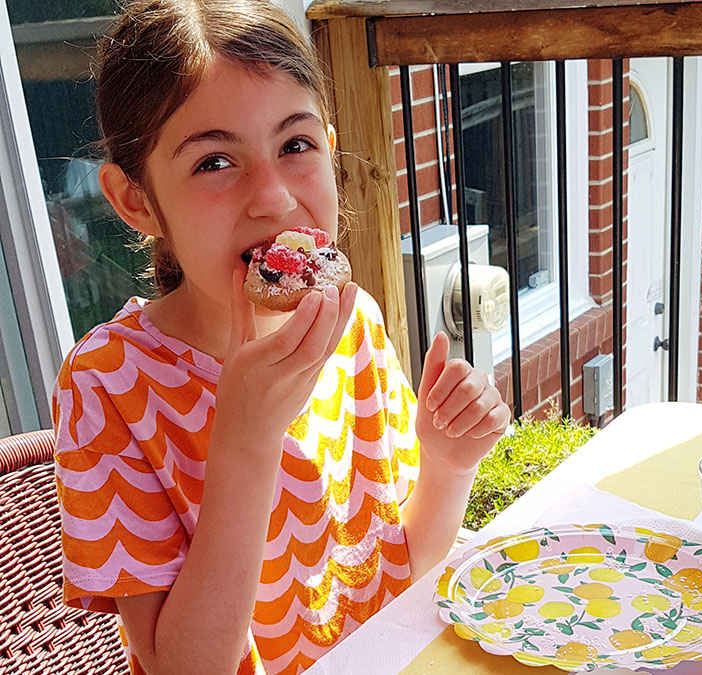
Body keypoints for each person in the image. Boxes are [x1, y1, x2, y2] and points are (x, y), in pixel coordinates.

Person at [52, 1, 511, 674]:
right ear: (137, 201)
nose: (272, 196)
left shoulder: (352, 323)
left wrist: (447, 462)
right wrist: (244, 438)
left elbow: (401, 572)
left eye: (295, 146)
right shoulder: (107, 385)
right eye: (214, 161)